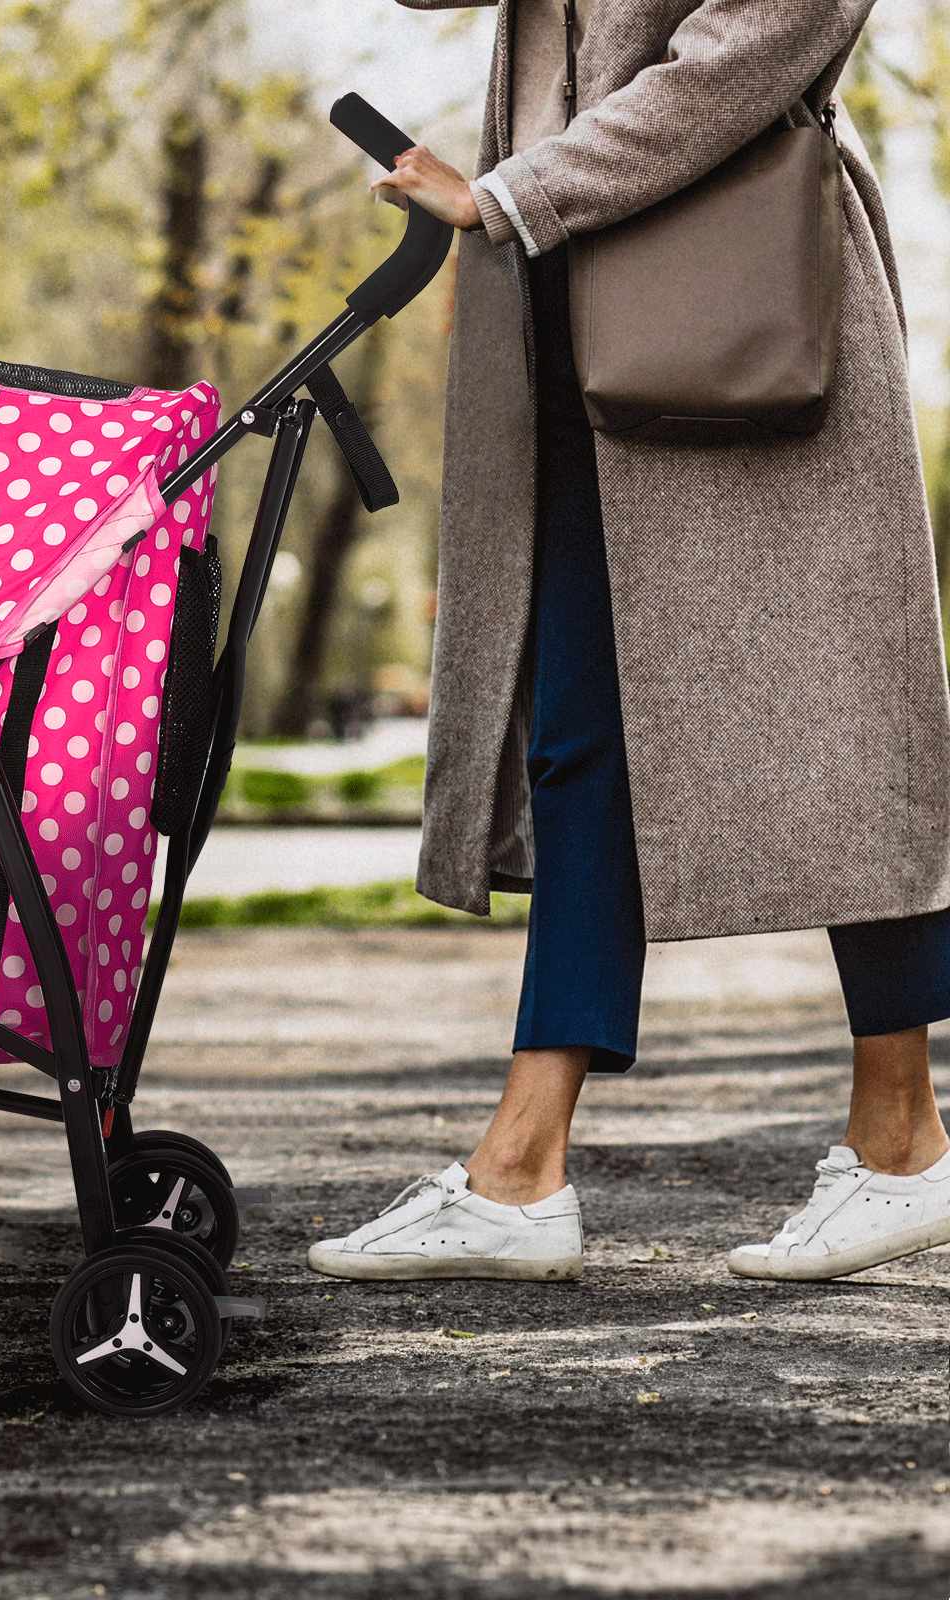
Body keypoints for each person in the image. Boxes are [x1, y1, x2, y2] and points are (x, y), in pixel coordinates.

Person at [309, 0, 950, 1284]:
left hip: (739, 307)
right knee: (577, 731)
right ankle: (519, 1168)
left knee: (843, 719)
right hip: (566, 310)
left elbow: (755, 44)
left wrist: (509, 197)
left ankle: (901, 1138)